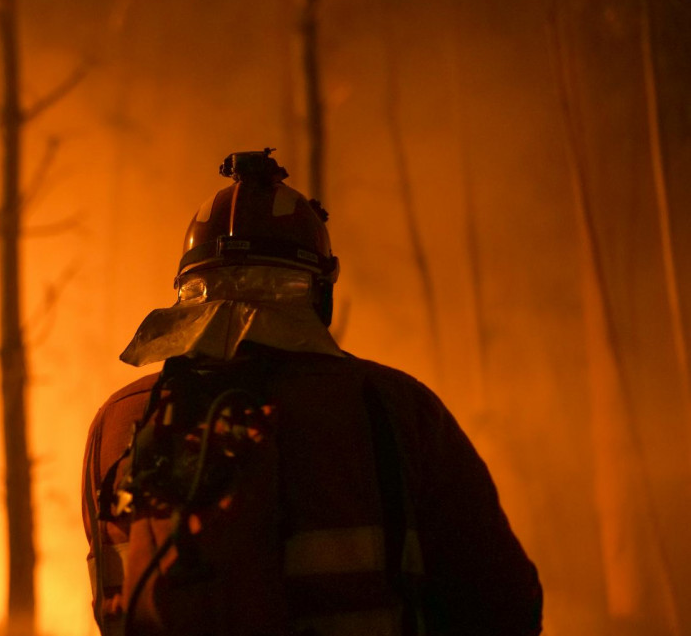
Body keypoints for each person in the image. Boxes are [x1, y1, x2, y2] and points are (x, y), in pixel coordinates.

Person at [81, 149, 542, 636]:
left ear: (184, 287)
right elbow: (503, 603)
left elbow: (109, 603)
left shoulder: (120, 422)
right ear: (320, 290)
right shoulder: (393, 407)